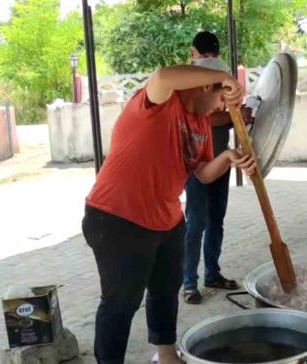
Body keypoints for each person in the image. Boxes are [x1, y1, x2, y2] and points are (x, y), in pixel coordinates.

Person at [81, 60, 256, 364]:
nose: (220, 109)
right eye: (220, 98)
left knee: (166, 289)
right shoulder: (159, 101)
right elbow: (163, 74)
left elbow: (202, 173)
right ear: (205, 85)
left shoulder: (200, 123)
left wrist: (228, 157)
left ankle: (166, 355)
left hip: (167, 219)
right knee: (121, 302)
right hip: (117, 218)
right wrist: (224, 76)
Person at [182, 31, 253, 304]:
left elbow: (225, 117)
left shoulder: (218, 77)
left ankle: (210, 274)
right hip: (197, 162)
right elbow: (205, 119)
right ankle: (189, 281)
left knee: (213, 220)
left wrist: (242, 115)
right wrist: (234, 116)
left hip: (221, 160)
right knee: (198, 222)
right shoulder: (194, 81)